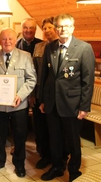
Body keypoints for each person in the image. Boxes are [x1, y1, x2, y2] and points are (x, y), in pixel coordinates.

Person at [39, 13, 95, 182]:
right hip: (52, 103)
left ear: (72, 28)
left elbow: (88, 81)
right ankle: (57, 167)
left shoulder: (84, 48)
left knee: (72, 141)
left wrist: (84, 107)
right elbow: (45, 76)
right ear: (55, 28)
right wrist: (42, 100)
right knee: (54, 138)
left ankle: (74, 171)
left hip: (72, 104)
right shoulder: (50, 47)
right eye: (59, 26)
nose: (62, 29)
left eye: (66, 26)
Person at [0, 28, 37, 178]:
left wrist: (20, 95)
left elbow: (32, 79)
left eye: (10, 38)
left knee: (19, 136)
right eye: (4, 39)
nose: (7, 41)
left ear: (15, 40)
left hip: (19, 105)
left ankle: (19, 164)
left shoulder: (25, 56)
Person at [29, 17, 59, 169]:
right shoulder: (39, 47)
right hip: (39, 92)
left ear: (57, 28)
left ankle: (57, 158)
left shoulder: (61, 46)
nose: (47, 31)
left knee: (53, 128)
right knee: (39, 127)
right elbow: (34, 71)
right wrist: (33, 93)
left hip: (54, 95)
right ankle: (44, 155)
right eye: (45, 28)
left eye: (50, 27)